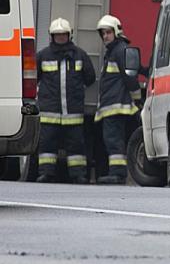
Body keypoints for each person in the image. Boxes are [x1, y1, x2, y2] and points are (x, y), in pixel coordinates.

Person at [36, 18, 94, 184]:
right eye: (57, 35)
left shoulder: (80, 55)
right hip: (50, 112)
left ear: (69, 35)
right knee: (47, 145)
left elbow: (90, 77)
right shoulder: (43, 56)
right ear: (52, 36)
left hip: (73, 112)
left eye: (63, 35)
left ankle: (78, 174)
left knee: (76, 145)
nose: (60, 38)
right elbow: (33, 78)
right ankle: (46, 173)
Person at [94, 15, 138, 184]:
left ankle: (118, 173)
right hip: (112, 105)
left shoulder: (119, 50)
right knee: (112, 139)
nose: (105, 36)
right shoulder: (115, 51)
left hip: (116, 105)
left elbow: (129, 78)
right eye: (103, 33)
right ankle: (117, 172)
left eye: (108, 32)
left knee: (113, 139)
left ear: (116, 32)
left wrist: (136, 99)